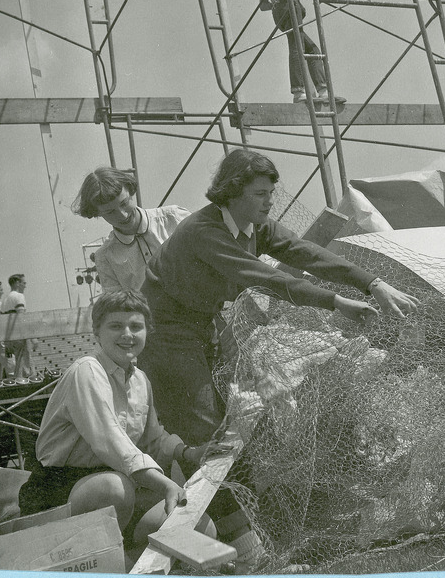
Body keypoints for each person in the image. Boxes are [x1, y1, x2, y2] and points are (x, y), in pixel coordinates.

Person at [141, 148, 419, 446]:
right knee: (203, 421)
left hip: (203, 321)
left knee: (234, 414)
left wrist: (372, 283)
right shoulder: (205, 231)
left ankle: (230, 486)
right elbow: (269, 278)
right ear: (233, 192)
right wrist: (336, 302)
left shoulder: (257, 226)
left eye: (271, 192)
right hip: (164, 329)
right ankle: (202, 490)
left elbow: (308, 255)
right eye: (260, 193)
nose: (270, 201)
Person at [18, 290, 228, 559]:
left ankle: (124, 561)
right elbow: (111, 442)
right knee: (113, 488)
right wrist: (166, 485)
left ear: (147, 332)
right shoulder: (87, 370)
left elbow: (153, 439)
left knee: (200, 530)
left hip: (119, 489)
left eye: (136, 326)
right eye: (115, 326)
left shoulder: (140, 380)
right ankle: (94, 564)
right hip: (60, 488)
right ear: (97, 331)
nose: (127, 334)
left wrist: (188, 453)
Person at [72, 167, 191, 293]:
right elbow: (120, 307)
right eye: (110, 212)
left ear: (130, 191)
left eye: (124, 203)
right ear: (97, 214)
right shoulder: (105, 258)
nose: (123, 215)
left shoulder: (174, 218)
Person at [259, 0, 346, 104]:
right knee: (297, 47)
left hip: (278, 12)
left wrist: (277, 2)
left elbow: (263, 5)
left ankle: (323, 91)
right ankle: (299, 91)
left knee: (311, 49)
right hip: (289, 5)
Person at [1, 273, 36, 380]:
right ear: (17, 283)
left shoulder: (5, 300)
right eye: (23, 283)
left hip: (10, 337)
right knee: (25, 366)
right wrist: (32, 337)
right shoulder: (19, 296)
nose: (25, 286)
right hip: (19, 335)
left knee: (19, 365)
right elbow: (22, 318)